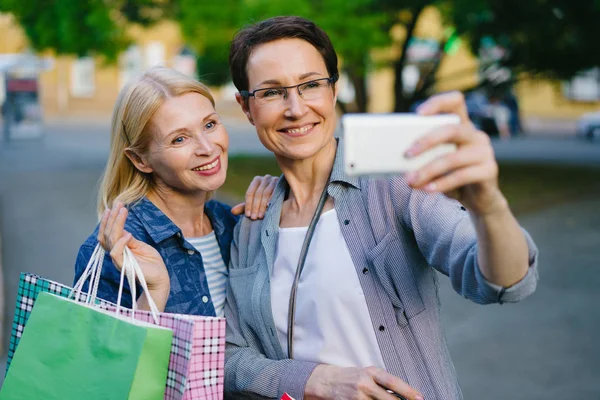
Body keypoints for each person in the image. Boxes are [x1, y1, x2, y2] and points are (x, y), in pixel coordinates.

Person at [101, 17, 539, 400]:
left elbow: (501, 281)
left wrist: (488, 206)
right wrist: (315, 380)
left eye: (311, 84)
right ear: (246, 107)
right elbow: (229, 359)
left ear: (332, 90)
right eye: (272, 92)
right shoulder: (249, 223)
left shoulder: (395, 187)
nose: (296, 109)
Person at [74, 66, 277, 316]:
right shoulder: (116, 247)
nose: (207, 147)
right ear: (140, 160)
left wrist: (281, 199)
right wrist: (154, 293)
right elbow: (102, 355)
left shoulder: (233, 224)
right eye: (179, 139)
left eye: (210, 124)